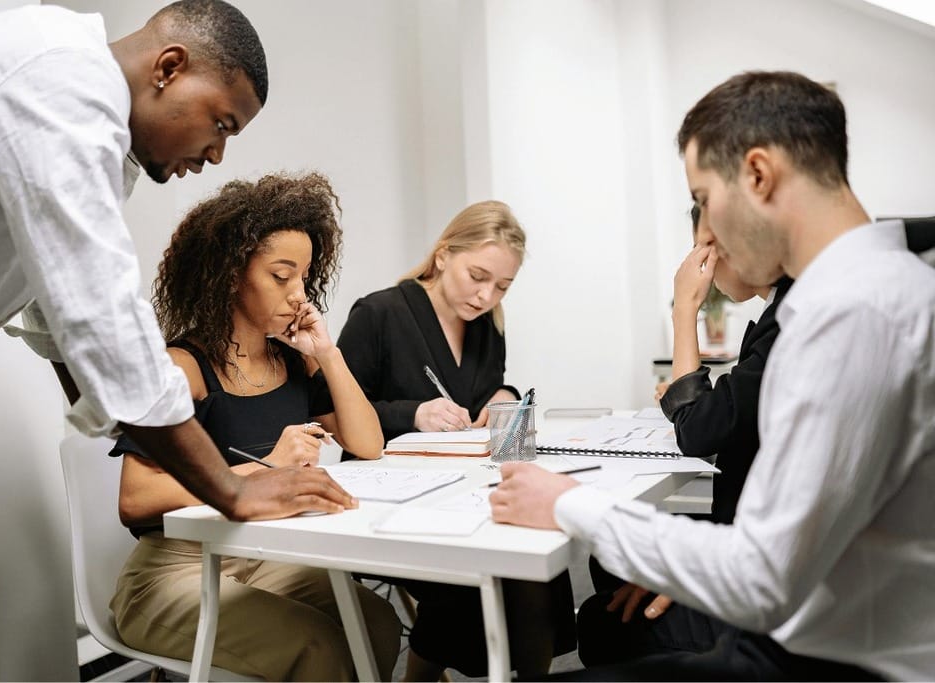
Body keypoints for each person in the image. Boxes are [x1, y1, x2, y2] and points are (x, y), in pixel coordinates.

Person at [0, 2, 352, 679]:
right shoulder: (60, 78)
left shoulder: (97, 145)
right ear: (169, 69)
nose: (215, 154)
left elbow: (54, 313)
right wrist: (235, 490)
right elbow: (97, 313)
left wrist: (119, 411)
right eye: (220, 123)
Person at [491, 70, 935, 680]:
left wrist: (571, 505)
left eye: (702, 200)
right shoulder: (882, 289)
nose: (703, 230)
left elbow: (760, 578)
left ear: (758, 174)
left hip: (823, 656)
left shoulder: (852, 316)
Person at [108, 174, 401, 681]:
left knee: (377, 623)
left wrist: (327, 354)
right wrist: (265, 471)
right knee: (319, 649)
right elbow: (134, 499)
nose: (299, 295)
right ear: (229, 275)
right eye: (281, 276)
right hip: (174, 569)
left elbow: (368, 444)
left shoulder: (293, 360)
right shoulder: (183, 368)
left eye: (305, 277)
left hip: (262, 555)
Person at [337, 201, 575, 680]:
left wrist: (504, 395)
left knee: (535, 561)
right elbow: (334, 415)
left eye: (502, 286)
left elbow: (489, 390)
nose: (487, 295)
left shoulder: (488, 326)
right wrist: (412, 413)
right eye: (478, 276)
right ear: (444, 255)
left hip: (464, 492)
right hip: (388, 503)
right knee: (482, 575)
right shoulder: (379, 313)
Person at [577, 202, 793, 667]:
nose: (702, 260)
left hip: (766, 562)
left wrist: (685, 309)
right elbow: (719, 414)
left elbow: (697, 430)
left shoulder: (794, 321)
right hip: (757, 536)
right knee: (607, 559)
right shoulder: (786, 310)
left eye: (709, 246)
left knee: (601, 617)